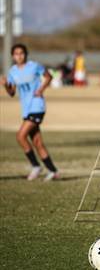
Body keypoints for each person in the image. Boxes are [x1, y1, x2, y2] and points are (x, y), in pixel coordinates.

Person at [0, 43, 59, 181]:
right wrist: (5, 85)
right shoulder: (12, 71)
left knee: (20, 136)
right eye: (16, 54)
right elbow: (11, 92)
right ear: (13, 56)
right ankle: (53, 171)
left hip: (37, 107)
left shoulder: (34, 66)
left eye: (21, 53)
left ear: (26, 54)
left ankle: (35, 166)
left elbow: (49, 76)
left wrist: (41, 89)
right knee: (37, 142)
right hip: (26, 109)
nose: (19, 56)